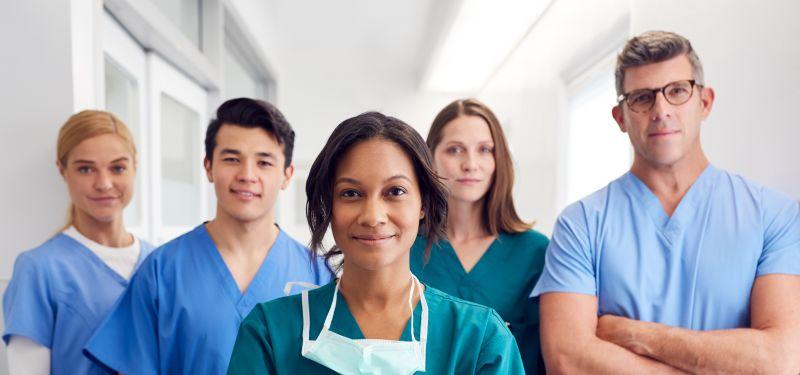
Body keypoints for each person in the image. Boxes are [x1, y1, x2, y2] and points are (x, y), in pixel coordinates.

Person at [532, 30, 800, 373]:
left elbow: (779, 361)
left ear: (705, 102)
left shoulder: (771, 215)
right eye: (642, 98)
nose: (661, 110)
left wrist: (636, 334)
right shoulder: (581, 224)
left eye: (677, 91)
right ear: (620, 118)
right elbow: (569, 361)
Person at [227, 112, 524, 374]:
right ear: (328, 205)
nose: (372, 216)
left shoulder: (478, 339)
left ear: (423, 203)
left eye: (395, 191)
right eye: (351, 194)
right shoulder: (269, 332)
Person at [84, 98, 333, 373]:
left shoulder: (318, 276)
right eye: (231, 159)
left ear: (286, 175)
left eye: (263, 162)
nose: (247, 175)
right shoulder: (162, 271)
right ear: (208, 166)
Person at [2, 110, 155, 374]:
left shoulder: (159, 263)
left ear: (135, 167)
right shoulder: (39, 269)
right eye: (86, 169)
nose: (104, 183)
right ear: (62, 170)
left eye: (118, 168)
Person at [409, 99, 548, 374]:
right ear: (430, 158)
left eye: (484, 150)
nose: (470, 164)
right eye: (455, 149)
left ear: (499, 161)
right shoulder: (405, 249)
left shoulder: (536, 253)